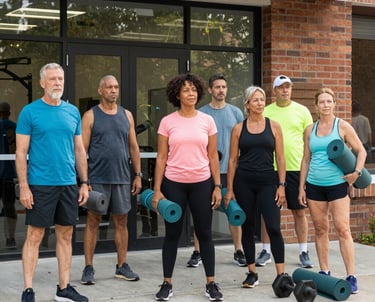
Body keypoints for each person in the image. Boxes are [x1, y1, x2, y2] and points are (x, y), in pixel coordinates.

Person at [16, 63, 89, 302]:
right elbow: (20, 151)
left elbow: (79, 150)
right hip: (40, 184)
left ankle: (64, 288)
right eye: (53, 79)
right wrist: (24, 187)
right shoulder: (29, 112)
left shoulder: (72, 112)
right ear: (42, 83)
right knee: (35, 236)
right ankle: (28, 289)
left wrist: (84, 182)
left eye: (60, 79)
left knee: (66, 235)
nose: (57, 83)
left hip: (67, 183)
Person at [152, 72, 223, 301]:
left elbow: (213, 156)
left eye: (193, 89)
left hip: (202, 183)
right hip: (174, 184)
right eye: (185, 90)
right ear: (177, 94)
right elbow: (161, 157)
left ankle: (211, 283)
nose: (190, 93)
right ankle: (167, 284)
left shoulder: (207, 121)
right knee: (172, 234)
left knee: (204, 233)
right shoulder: (167, 122)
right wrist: (157, 189)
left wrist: (217, 186)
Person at [298, 87, 366, 294]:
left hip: (337, 184)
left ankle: (351, 276)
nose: (325, 105)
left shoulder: (343, 126)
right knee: (320, 230)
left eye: (329, 101)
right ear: (316, 105)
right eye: (322, 102)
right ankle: (324, 272)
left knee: (342, 229)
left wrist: (356, 172)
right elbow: (306, 159)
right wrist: (302, 186)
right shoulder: (310, 129)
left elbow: (361, 150)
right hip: (314, 186)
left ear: (334, 104)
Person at [80, 75, 142, 285]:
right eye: (109, 87)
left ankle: (122, 266)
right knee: (93, 221)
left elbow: (134, 147)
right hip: (97, 178)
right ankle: (88, 267)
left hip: (123, 178)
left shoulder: (127, 115)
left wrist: (138, 175)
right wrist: (84, 180)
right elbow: (81, 150)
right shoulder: (90, 116)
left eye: (116, 87)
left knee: (121, 221)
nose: (114, 90)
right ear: (101, 90)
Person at [225, 85, 287, 288]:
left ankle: (281, 274)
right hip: (244, 183)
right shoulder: (238, 128)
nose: (260, 103)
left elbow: (281, 158)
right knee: (248, 227)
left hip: (268, 182)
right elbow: (233, 160)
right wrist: (230, 189)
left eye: (262, 99)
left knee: (273, 227)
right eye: (256, 100)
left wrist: (282, 185)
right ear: (247, 104)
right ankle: (252, 272)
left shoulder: (274, 126)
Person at [186, 74, 245, 268]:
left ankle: (238, 250)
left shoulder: (236, 113)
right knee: (201, 212)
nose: (221, 90)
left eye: (224, 87)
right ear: (210, 90)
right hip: (206, 171)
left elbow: (242, 142)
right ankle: (198, 251)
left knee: (233, 210)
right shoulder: (201, 113)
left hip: (230, 171)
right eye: (217, 87)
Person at [256, 75, 314, 268]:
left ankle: (303, 251)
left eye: (288, 87)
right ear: (274, 91)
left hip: (296, 168)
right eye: (281, 87)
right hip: (270, 168)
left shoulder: (303, 111)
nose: (285, 90)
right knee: (268, 212)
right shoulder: (266, 111)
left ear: (291, 89)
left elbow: (309, 142)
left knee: (299, 211)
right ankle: (266, 250)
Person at [0, 102, 17, 249]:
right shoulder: (13, 126)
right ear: (9, 112)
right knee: (9, 206)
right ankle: (11, 238)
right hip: (8, 174)